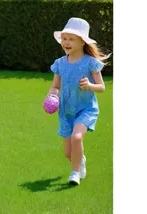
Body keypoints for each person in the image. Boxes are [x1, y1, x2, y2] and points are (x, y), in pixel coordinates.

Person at [46, 17, 110, 185]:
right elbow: (55, 86)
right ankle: (79, 161)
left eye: (71, 39)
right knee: (69, 153)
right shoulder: (60, 63)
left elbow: (102, 87)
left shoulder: (90, 63)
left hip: (86, 109)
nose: (66, 42)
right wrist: (52, 96)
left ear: (82, 41)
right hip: (66, 111)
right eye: (64, 39)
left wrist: (89, 85)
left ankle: (74, 174)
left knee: (77, 137)